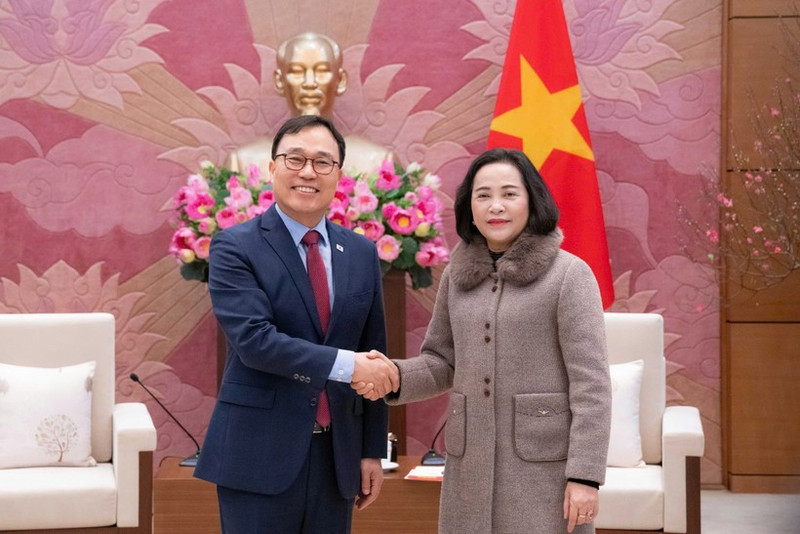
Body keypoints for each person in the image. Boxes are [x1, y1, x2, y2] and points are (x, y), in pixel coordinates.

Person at [357, 148, 612, 533]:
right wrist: (392, 374)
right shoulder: (458, 278)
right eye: (483, 195)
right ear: (469, 208)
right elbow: (441, 362)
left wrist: (585, 477)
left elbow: (591, 386)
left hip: (544, 472)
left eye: (509, 193)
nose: (496, 206)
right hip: (468, 468)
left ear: (532, 200)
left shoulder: (569, 276)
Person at [195, 114, 399, 534]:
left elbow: (373, 349)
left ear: (338, 175)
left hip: (336, 456)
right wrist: (350, 365)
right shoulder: (235, 246)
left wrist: (370, 450)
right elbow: (255, 341)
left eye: (323, 162)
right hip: (257, 454)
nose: (308, 172)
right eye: (295, 159)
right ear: (272, 168)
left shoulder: (360, 252)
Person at [230, 32, 392, 176]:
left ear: (340, 80)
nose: (309, 83)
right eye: (296, 71)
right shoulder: (243, 162)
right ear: (280, 81)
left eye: (322, 71)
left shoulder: (377, 162)